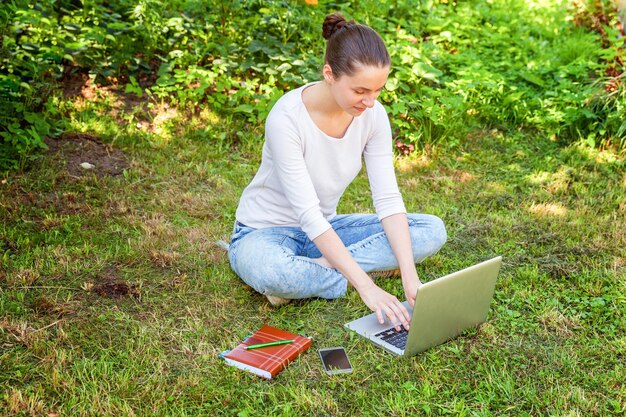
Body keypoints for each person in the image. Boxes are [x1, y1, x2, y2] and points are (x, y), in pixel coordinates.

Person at [228, 12, 447, 331]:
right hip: (263, 233)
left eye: (378, 90)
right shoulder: (286, 118)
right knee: (274, 272)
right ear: (329, 74)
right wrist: (365, 286)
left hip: (325, 233)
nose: (370, 102)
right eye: (360, 91)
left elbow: (387, 199)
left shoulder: (373, 116)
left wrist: (410, 278)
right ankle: (333, 272)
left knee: (431, 231)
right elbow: (307, 214)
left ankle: (316, 272)